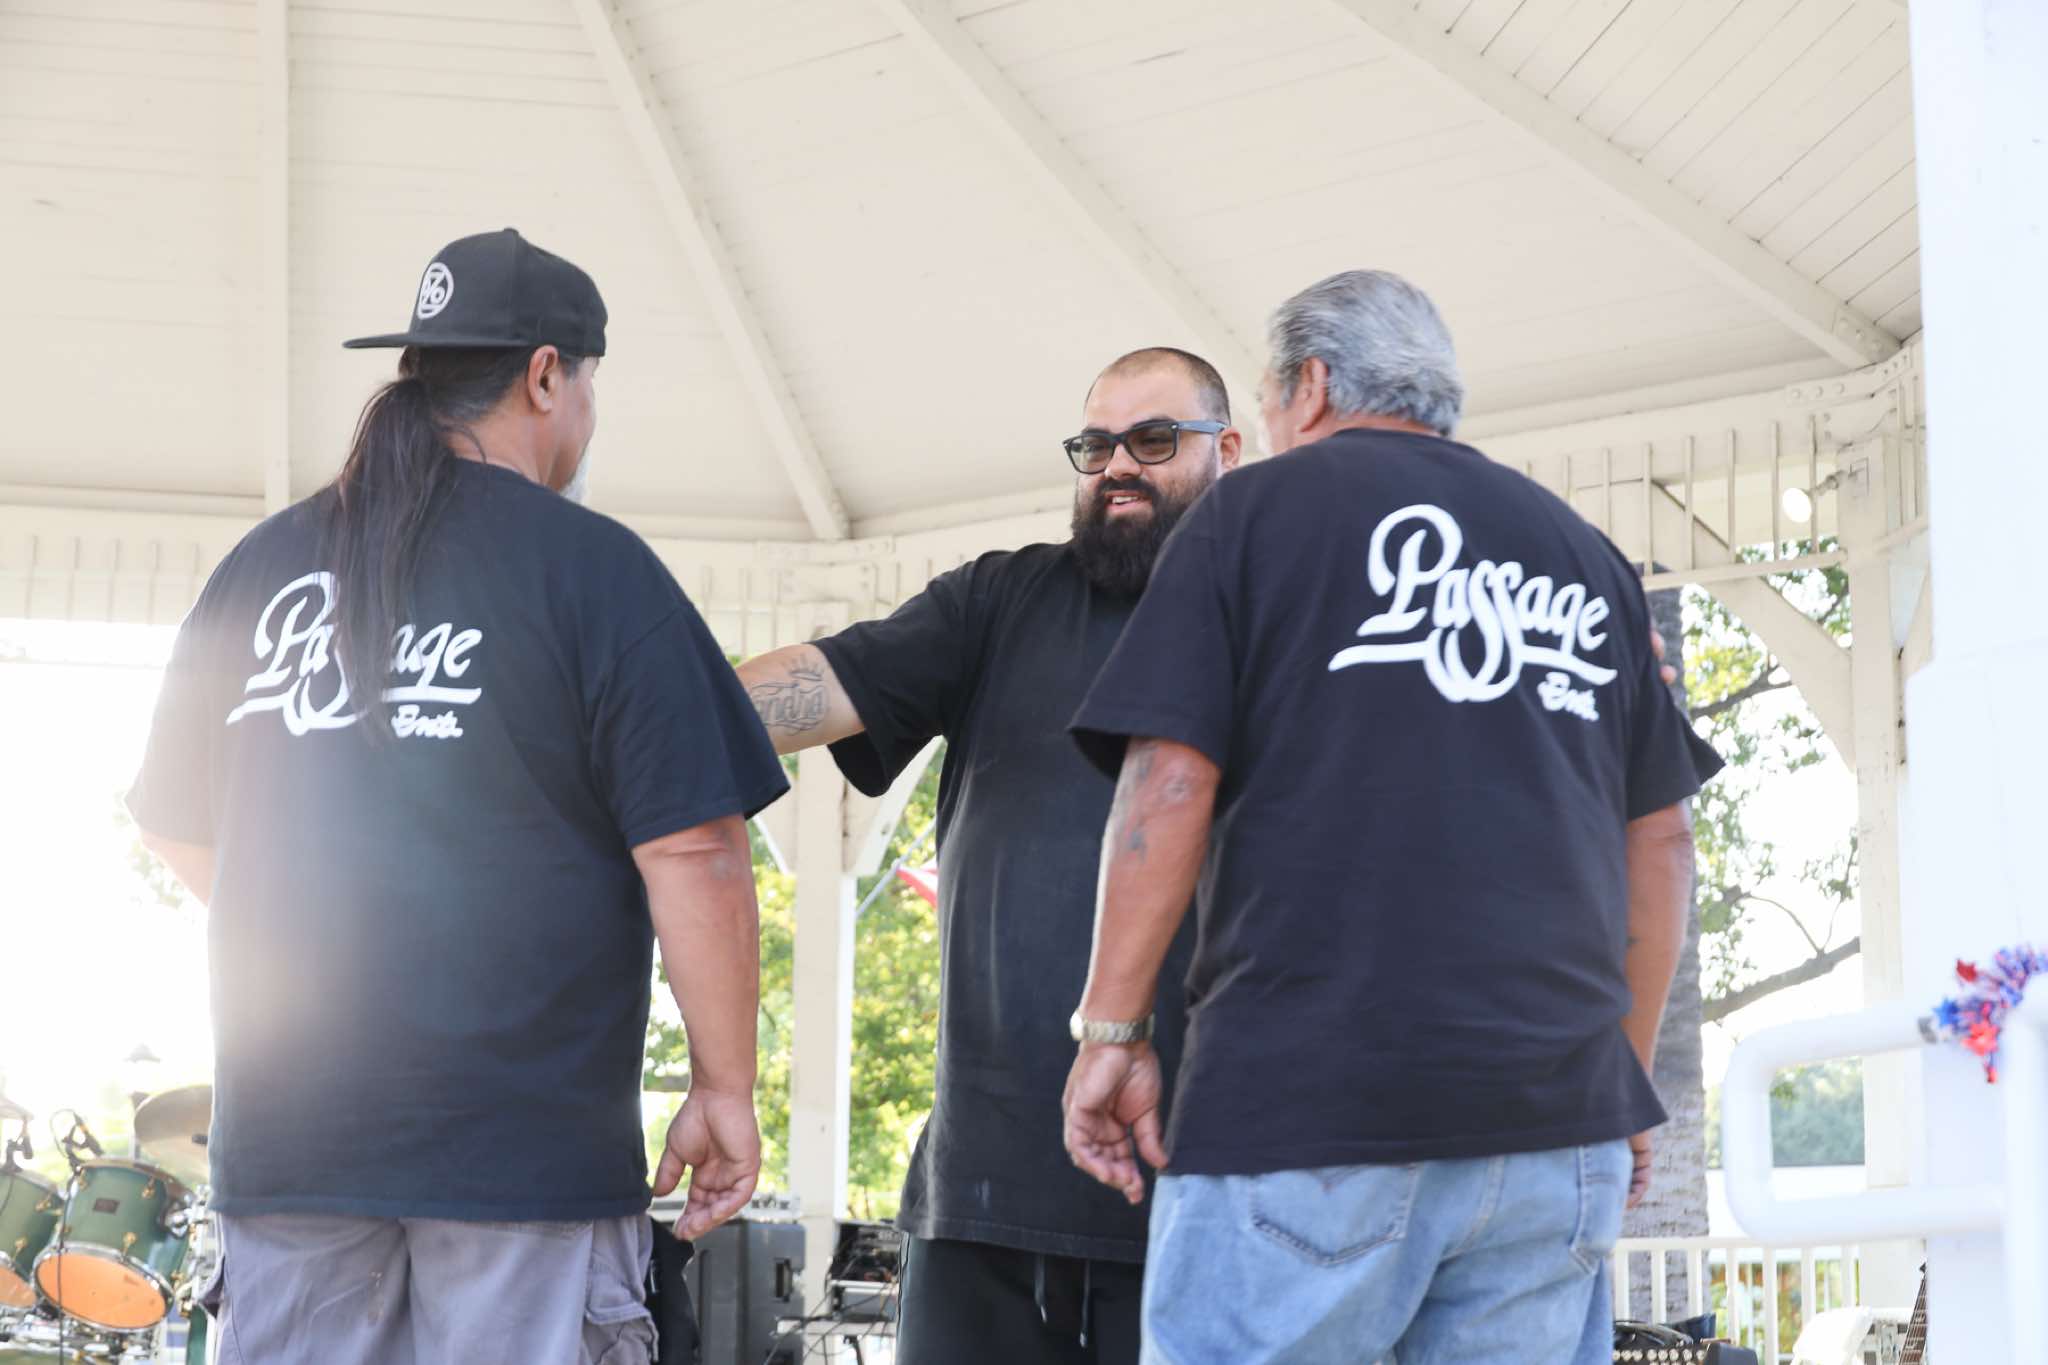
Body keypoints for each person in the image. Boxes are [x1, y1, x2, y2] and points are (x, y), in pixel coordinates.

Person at [127, 229, 788, 1365]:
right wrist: (725, 1085)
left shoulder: (260, 566)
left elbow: (174, 825)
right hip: (524, 1159)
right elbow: (696, 850)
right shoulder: (595, 571)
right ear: (547, 375)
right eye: (589, 386)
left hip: (291, 1149)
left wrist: (329, 939)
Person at [1062, 270, 1724, 1365]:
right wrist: (1624, 1072)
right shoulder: (1582, 554)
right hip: (1555, 1128)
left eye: (1269, 401)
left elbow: (1167, 784)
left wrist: (1112, 1033)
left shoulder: (1249, 514)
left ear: (1311, 384)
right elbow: (1660, 838)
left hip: (1311, 1107)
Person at [735, 347, 1241, 1363]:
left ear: (1227, 449)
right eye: (1094, 446)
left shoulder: (1285, 614)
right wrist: (626, 728)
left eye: (1152, 440)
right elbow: (816, 687)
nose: (1117, 466)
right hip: (982, 1201)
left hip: (1216, 1198)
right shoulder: (999, 600)